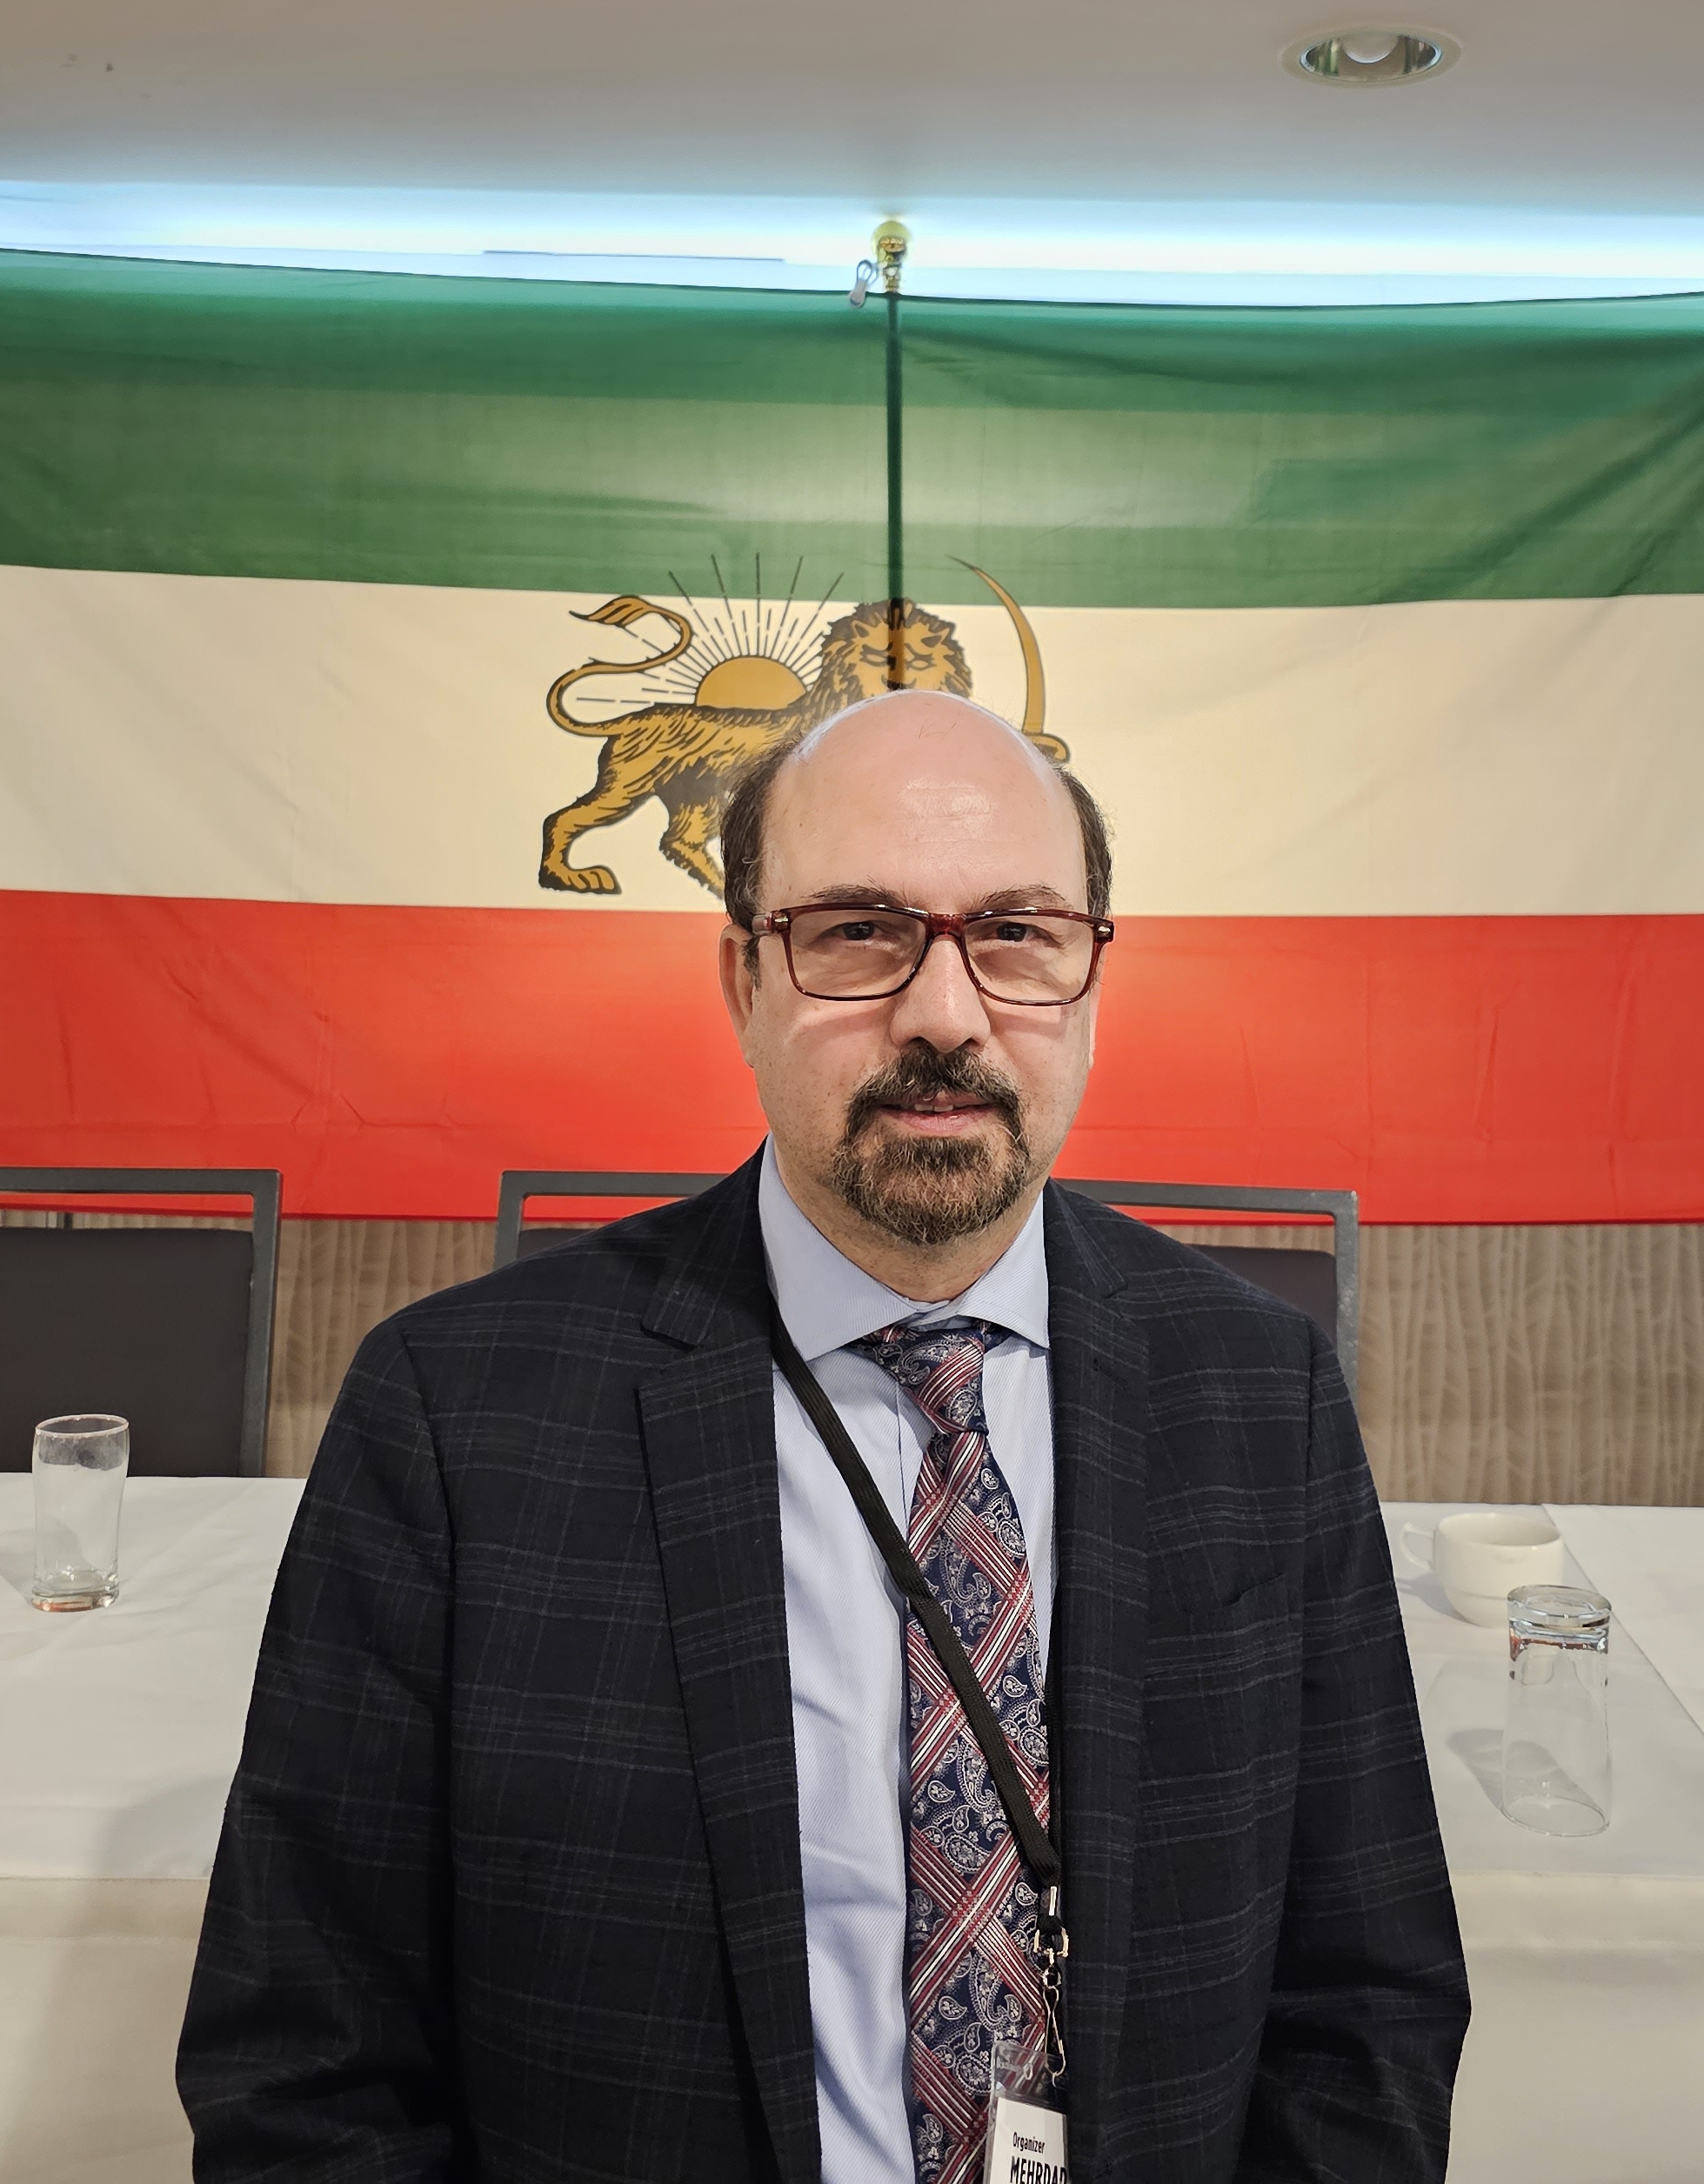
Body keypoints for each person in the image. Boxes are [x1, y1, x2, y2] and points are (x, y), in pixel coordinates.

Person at [180, 685, 1468, 2182]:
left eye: (1017, 933)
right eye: (858, 931)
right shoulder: (455, 1417)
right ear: (742, 978)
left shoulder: (1259, 1393)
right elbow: (306, 2061)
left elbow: (1365, 2001)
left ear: (1089, 980)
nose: (944, 1014)